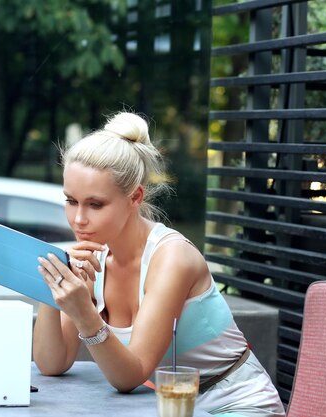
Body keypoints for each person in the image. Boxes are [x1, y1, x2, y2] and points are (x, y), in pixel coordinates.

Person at [33, 111, 285, 416]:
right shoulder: (92, 257)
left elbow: (129, 376)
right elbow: (52, 364)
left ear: (135, 196)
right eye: (71, 201)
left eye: (95, 204)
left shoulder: (172, 258)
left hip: (236, 404)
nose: (79, 219)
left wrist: (84, 312)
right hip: (167, 406)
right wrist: (52, 287)